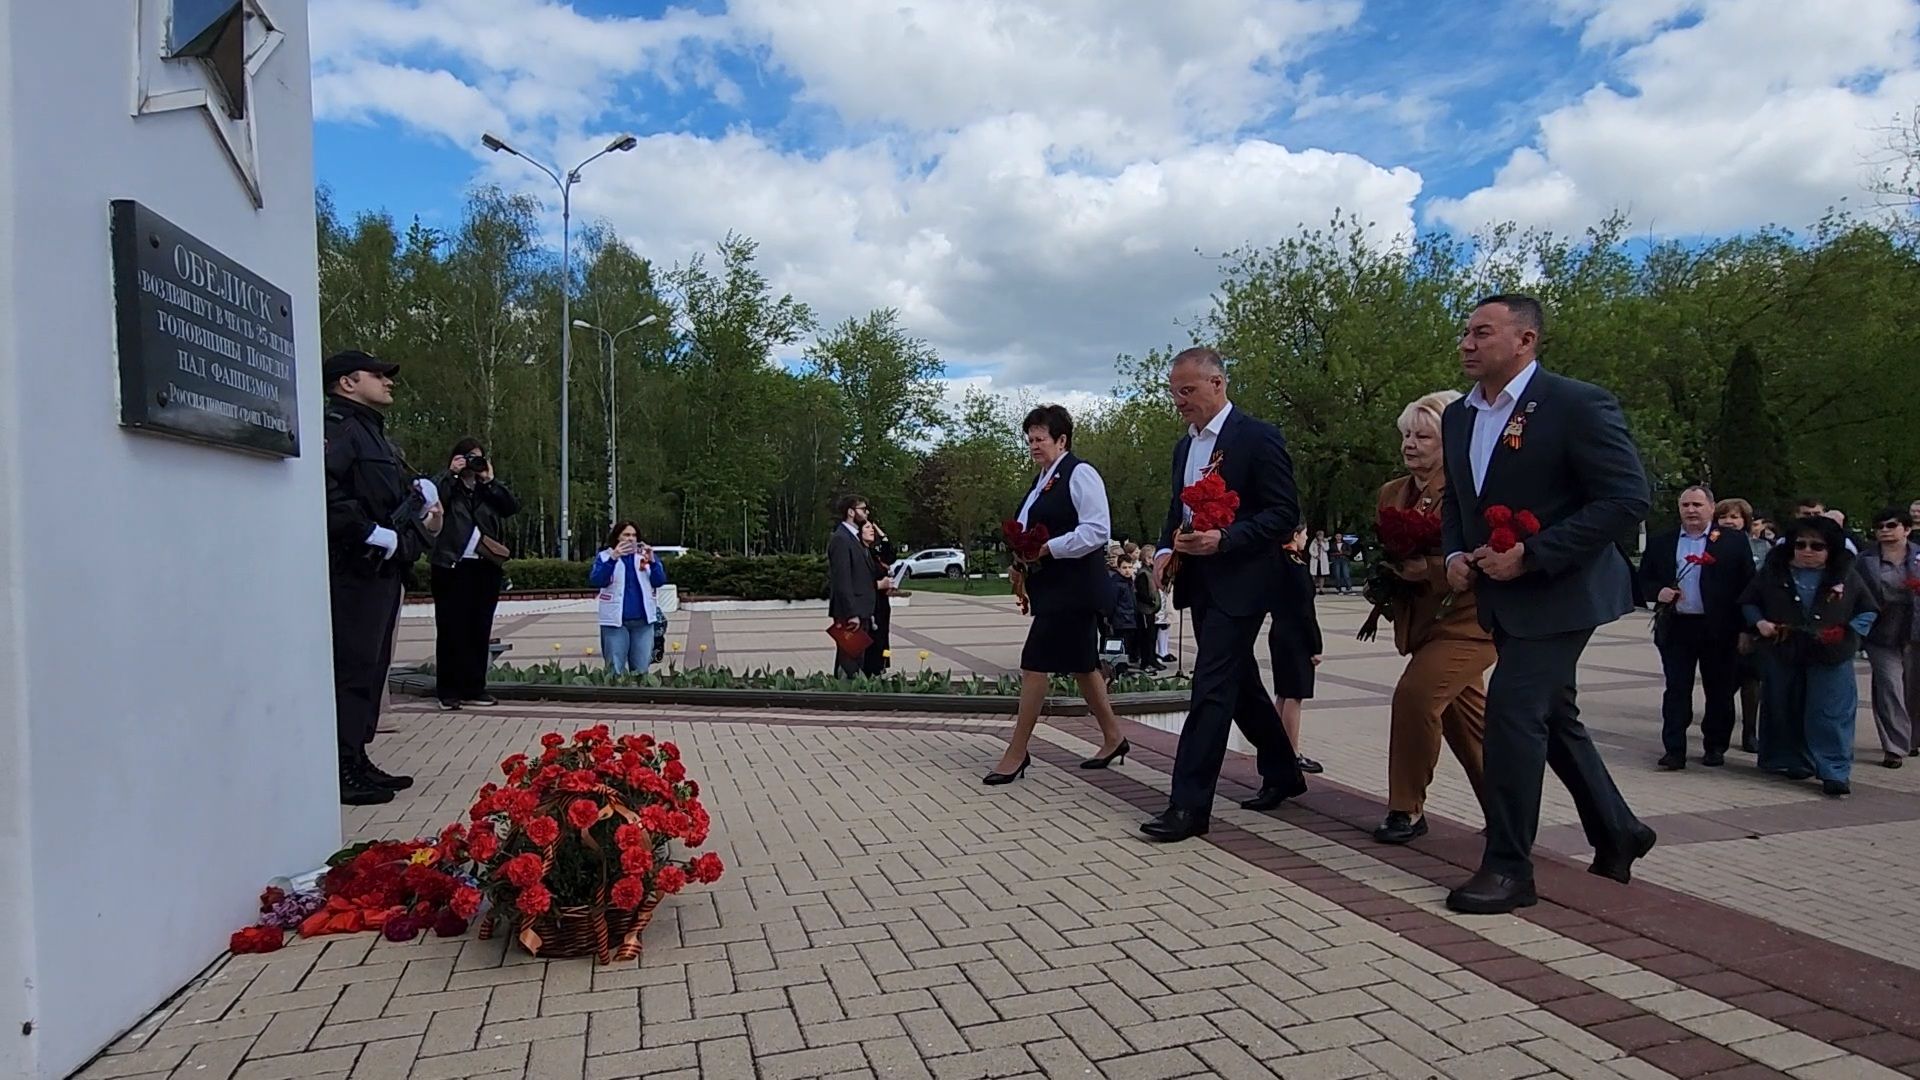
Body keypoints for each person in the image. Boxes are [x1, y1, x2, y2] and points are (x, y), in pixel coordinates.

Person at [1439, 295, 1656, 914]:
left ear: (1526, 340)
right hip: (1501, 595)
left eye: (1482, 332)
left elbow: (1625, 498)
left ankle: (1509, 869)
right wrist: (1456, 555)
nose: (1467, 343)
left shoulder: (1576, 404)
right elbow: (1460, 501)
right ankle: (1619, 830)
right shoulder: (1459, 416)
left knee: (1513, 712)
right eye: (1465, 332)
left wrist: (1533, 554)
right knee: (1553, 716)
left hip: (1565, 590)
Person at [1144, 348, 1307, 841]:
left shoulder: (1257, 437)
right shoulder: (1184, 448)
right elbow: (1179, 511)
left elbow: (1284, 512)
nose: (1179, 401)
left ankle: (1189, 807)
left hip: (1247, 581)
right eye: (1174, 392)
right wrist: (1161, 551)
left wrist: (1227, 538)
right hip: (1200, 580)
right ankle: (1283, 771)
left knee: (1211, 686)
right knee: (1239, 683)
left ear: (1218, 383)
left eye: (1187, 390)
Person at [985, 405, 1129, 783]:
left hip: (1075, 588)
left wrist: (1050, 548)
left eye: (1040, 438)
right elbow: (1027, 529)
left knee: (1035, 663)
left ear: (1061, 440)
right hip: (1052, 587)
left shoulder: (1080, 473)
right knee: (1083, 665)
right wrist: (1020, 559)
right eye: (1029, 439)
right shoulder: (1040, 480)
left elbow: (1097, 531)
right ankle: (1114, 736)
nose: (1033, 445)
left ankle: (1017, 752)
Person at [1372, 390, 1491, 845]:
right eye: (1406, 434)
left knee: (1416, 697)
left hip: (1469, 622)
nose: (1410, 444)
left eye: (1424, 436)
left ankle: (1406, 809)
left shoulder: (1471, 489)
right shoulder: (1391, 494)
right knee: (1470, 728)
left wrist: (1433, 569)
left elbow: (1487, 554)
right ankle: (1509, 813)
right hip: (1423, 624)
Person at [324, 350, 440, 807]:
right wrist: (367, 531)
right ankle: (342, 764)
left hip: (381, 570)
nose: (388, 381)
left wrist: (416, 500)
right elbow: (327, 491)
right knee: (352, 668)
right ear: (346, 383)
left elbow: (383, 496)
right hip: (353, 568)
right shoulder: (338, 428)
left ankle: (358, 752)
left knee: (372, 670)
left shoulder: (373, 433)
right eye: (377, 374)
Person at [1742, 515, 1877, 796]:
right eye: (1800, 544)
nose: (1807, 551)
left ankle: (1834, 771)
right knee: (1784, 706)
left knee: (1829, 712)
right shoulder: (1773, 571)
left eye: (1817, 546)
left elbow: (1868, 609)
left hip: (1831, 654)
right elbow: (1749, 601)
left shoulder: (1846, 576)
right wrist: (1759, 623)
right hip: (1784, 650)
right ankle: (1792, 761)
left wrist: (1850, 632)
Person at [1638, 485, 1756, 769]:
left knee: (1719, 690)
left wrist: (1745, 629)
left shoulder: (1731, 541)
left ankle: (1715, 746)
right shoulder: (1662, 541)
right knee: (1677, 688)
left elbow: (1748, 586)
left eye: (1697, 505)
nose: (1691, 510)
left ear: (1711, 508)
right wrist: (1659, 592)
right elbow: (1642, 581)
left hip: (1719, 628)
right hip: (1677, 626)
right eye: (1686, 505)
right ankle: (1674, 748)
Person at [429, 437, 520, 710]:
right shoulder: (447, 485)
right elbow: (431, 501)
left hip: (485, 566)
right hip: (450, 564)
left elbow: (510, 507)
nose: (472, 462)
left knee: (479, 628)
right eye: (467, 457)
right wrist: (451, 473)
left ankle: (474, 688)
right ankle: (448, 691)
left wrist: (489, 480)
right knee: (450, 629)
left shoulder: (486, 490)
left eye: (477, 457)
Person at [1859, 508, 1919, 767]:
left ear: (1906, 529)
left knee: (1914, 687)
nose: (1885, 530)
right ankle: (1894, 747)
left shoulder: (1918, 557)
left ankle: (1913, 739)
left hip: (1915, 626)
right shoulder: (1865, 560)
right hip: (1882, 629)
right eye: (1879, 526)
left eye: (1891, 525)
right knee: (1889, 685)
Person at [1716, 497, 1769, 752]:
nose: (1729, 521)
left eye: (1735, 517)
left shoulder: (1762, 548)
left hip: (1752, 621)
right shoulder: (1709, 545)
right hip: (1720, 620)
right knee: (1723, 681)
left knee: (1752, 679)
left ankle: (1750, 733)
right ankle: (1718, 733)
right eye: (1724, 516)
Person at [1272, 525, 1325, 774]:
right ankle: (1291, 753)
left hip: (1279, 632)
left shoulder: (1275, 561)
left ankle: (1275, 748)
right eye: (1304, 534)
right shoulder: (1296, 565)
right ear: (1294, 535)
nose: (1306, 538)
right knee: (1294, 694)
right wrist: (1316, 645)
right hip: (1296, 637)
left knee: (1283, 694)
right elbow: (1306, 611)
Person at [589, 523, 668, 674]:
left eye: (633, 535)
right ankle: (615, 696)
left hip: (643, 622)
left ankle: (639, 696)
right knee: (615, 668)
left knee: (641, 668)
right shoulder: (605, 556)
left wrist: (653, 561)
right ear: (617, 537)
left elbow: (659, 581)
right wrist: (613, 559)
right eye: (626, 535)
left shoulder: (644, 555)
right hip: (615, 622)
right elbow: (598, 580)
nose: (630, 539)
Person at [827, 494, 878, 679]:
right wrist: (851, 613)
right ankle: (845, 696)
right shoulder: (841, 539)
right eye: (863, 509)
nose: (867, 513)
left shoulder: (854, 538)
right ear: (850, 512)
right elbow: (843, 580)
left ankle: (848, 694)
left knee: (855, 658)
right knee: (849, 660)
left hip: (860, 609)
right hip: (850, 613)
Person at [862, 520, 899, 677]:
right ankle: (872, 670)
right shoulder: (864, 554)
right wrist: (879, 584)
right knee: (874, 639)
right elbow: (859, 580)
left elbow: (890, 554)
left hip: (882, 603)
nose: (872, 530)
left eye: (872, 527)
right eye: (868, 527)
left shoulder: (876, 554)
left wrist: (882, 534)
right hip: (871, 604)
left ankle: (881, 666)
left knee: (883, 636)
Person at [1132, 556, 1163, 671]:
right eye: (1150, 557)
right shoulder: (1143, 573)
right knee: (1147, 637)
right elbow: (1141, 593)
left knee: (1152, 636)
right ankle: (1147, 661)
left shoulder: (1150, 571)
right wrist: (1151, 601)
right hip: (1145, 609)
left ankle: (1152, 658)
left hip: (1151, 610)